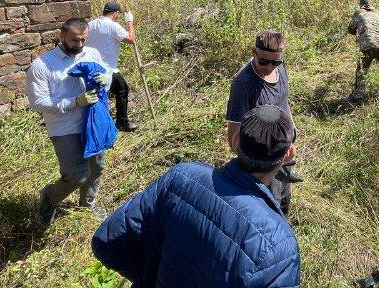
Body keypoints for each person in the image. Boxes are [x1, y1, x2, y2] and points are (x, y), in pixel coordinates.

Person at [92, 105, 301, 287]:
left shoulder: (181, 177)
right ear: (288, 154)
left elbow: (107, 240)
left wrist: (151, 279)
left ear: (236, 140)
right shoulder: (279, 244)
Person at [26, 18, 112, 225]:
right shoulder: (42, 66)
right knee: (76, 175)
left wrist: (105, 80)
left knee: (96, 166)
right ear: (62, 36)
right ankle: (48, 198)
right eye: (75, 40)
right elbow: (38, 102)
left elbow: (106, 73)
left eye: (84, 40)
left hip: (93, 122)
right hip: (64, 127)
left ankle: (88, 204)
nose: (80, 45)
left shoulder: (92, 53)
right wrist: (74, 102)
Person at [226, 30, 300, 215]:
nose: (269, 67)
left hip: (283, 150)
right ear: (253, 52)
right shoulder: (243, 85)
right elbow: (233, 137)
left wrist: (291, 130)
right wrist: (264, 166)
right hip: (264, 161)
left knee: (284, 196)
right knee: (269, 205)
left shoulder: (280, 67)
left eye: (276, 61)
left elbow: (283, 100)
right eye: (263, 61)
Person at [86, 2, 138, 132]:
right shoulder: (112, 26)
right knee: (114, 93)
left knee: (120, 89)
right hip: (108, 68)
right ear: (116, 14)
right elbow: (131, 39)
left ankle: (116, 122)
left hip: (92, 67)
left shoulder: (91, 24)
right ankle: (119, 123)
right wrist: (129, 21)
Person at [347, 0, 379, 104]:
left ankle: (358, 96)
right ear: (370, 3)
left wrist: (358, 30)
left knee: (362, 70)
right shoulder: (378, 13)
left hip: (368, 45)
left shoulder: (358, 13)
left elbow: (351, 29)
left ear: (360, 4)